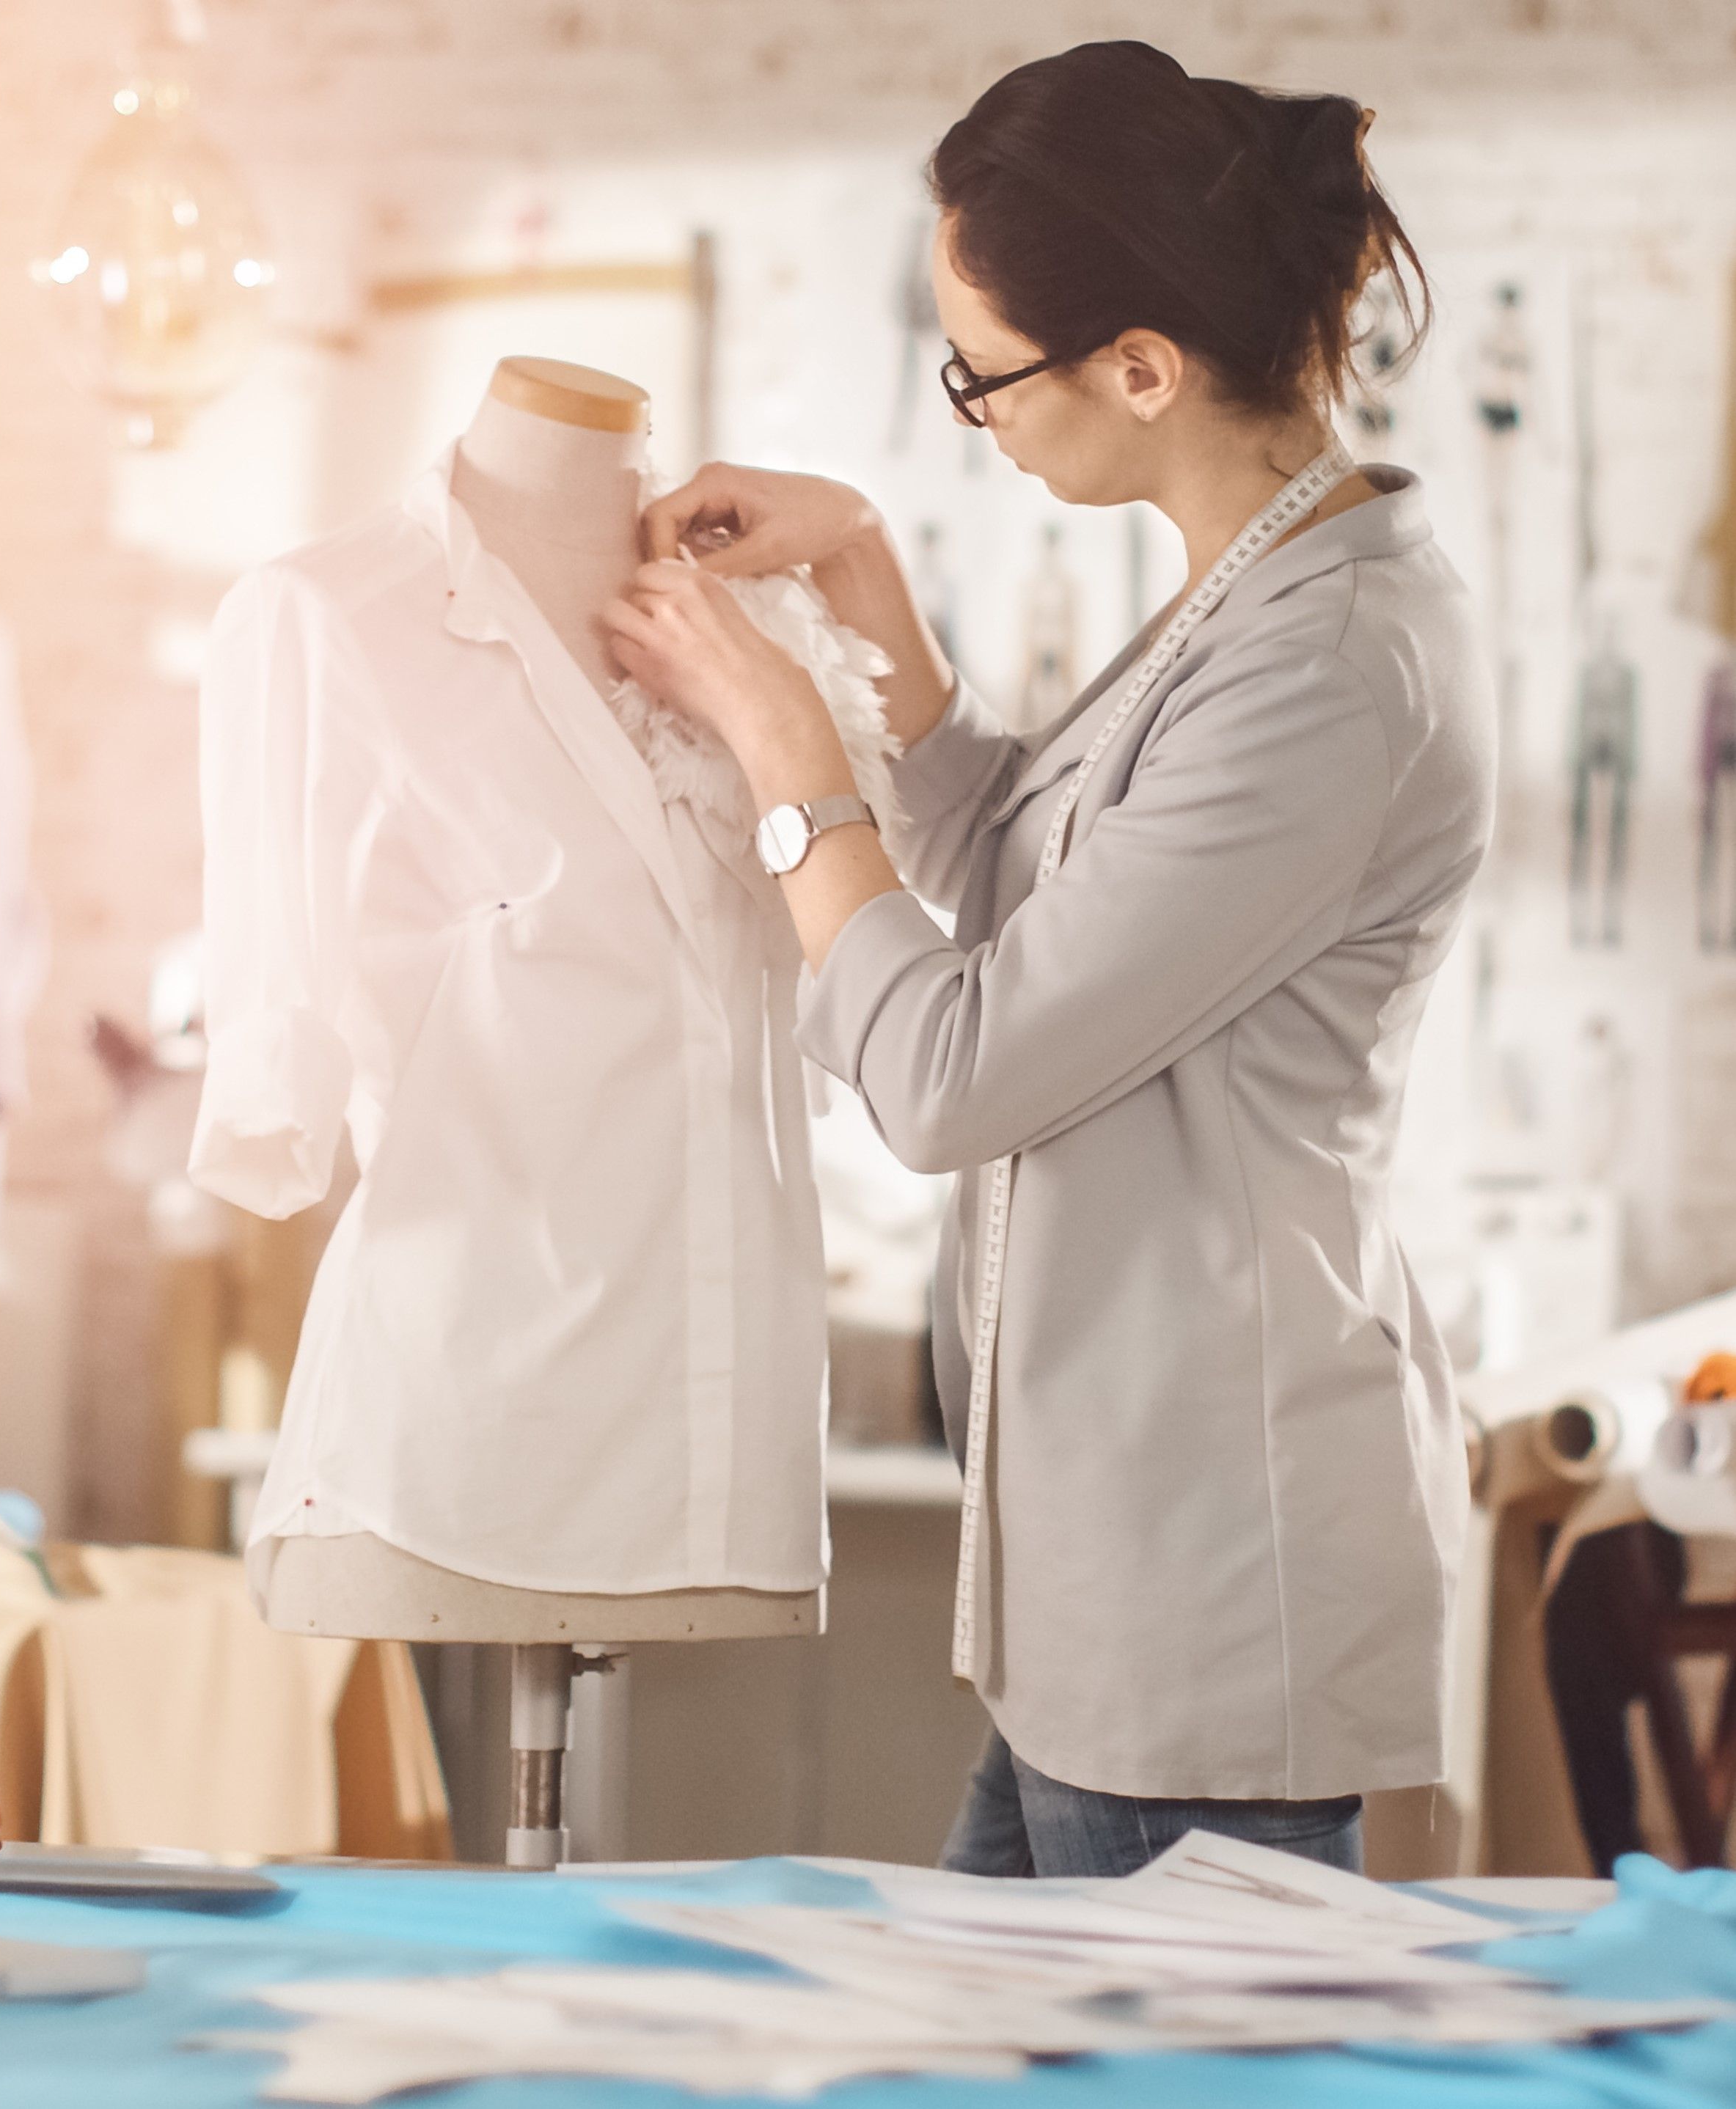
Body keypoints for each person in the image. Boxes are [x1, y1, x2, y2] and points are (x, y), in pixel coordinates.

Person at [601, 39, 1496, 1878]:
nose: (975, 415)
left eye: (983, 373)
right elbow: (1025, 863)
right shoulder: (1251, 588)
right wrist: (862, 576)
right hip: (1107, 1578)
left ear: (1139, 368)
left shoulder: (1325, 665)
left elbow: (950, 1072)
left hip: (1205, 1580)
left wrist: (784, 751)